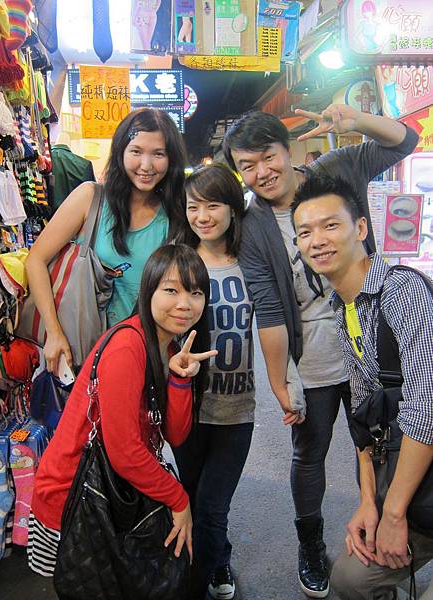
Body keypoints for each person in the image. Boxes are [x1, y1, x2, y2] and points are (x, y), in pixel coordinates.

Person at [222, 103, 419, 597]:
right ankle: (310, 542)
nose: (261, 172)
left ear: (287, 150)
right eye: (247, 165)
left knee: (384, 440)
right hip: (311, 355)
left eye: (268, 156)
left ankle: (390, 531)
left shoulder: (336, 170)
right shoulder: (251, 225)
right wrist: (280, 379)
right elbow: (269, 307)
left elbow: (404, 141)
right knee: (309, 451)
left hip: (372, 340)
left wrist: (357, 121)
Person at [28, 243, 216, 577]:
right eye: (171, 290)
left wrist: (180, 380)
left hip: (113, 491)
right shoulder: (127, 348)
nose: (184, 304)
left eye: (196, 292)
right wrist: (178, 498)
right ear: (148, 291)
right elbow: (125, 452)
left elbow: (175, 435)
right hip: (75, 498)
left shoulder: (169, 347)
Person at [291, 174, 433, 600]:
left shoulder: (403, 292)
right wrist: (369, 502)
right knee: (350, 580)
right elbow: (363, 416)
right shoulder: (344, 307)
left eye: (330, 225)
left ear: (360, 228)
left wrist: (393, 515)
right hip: (415, 488)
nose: (317, 240)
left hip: (419, 481)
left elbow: (426, 410)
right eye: (305, 232)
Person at [26, 107, 186, 375]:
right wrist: (53, 333)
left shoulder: (176, 215)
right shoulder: (90, 198)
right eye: (136, 151)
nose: (146, 165)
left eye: (158, 154)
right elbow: (36, 260)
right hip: (79, 352)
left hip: (142, 357)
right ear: (121, 152)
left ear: (171, 159)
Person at [173, 163, 252, 600]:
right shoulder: (179, 263)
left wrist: (288, 383)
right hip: (188, 406)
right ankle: (216, 560)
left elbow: (276, 325)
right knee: (190, 496)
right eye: (193, 207)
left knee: (210, 506)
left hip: (237, 409)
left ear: (232, 208)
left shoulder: (251, 263)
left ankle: (196, 584)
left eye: (213, 205)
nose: (202, 216)